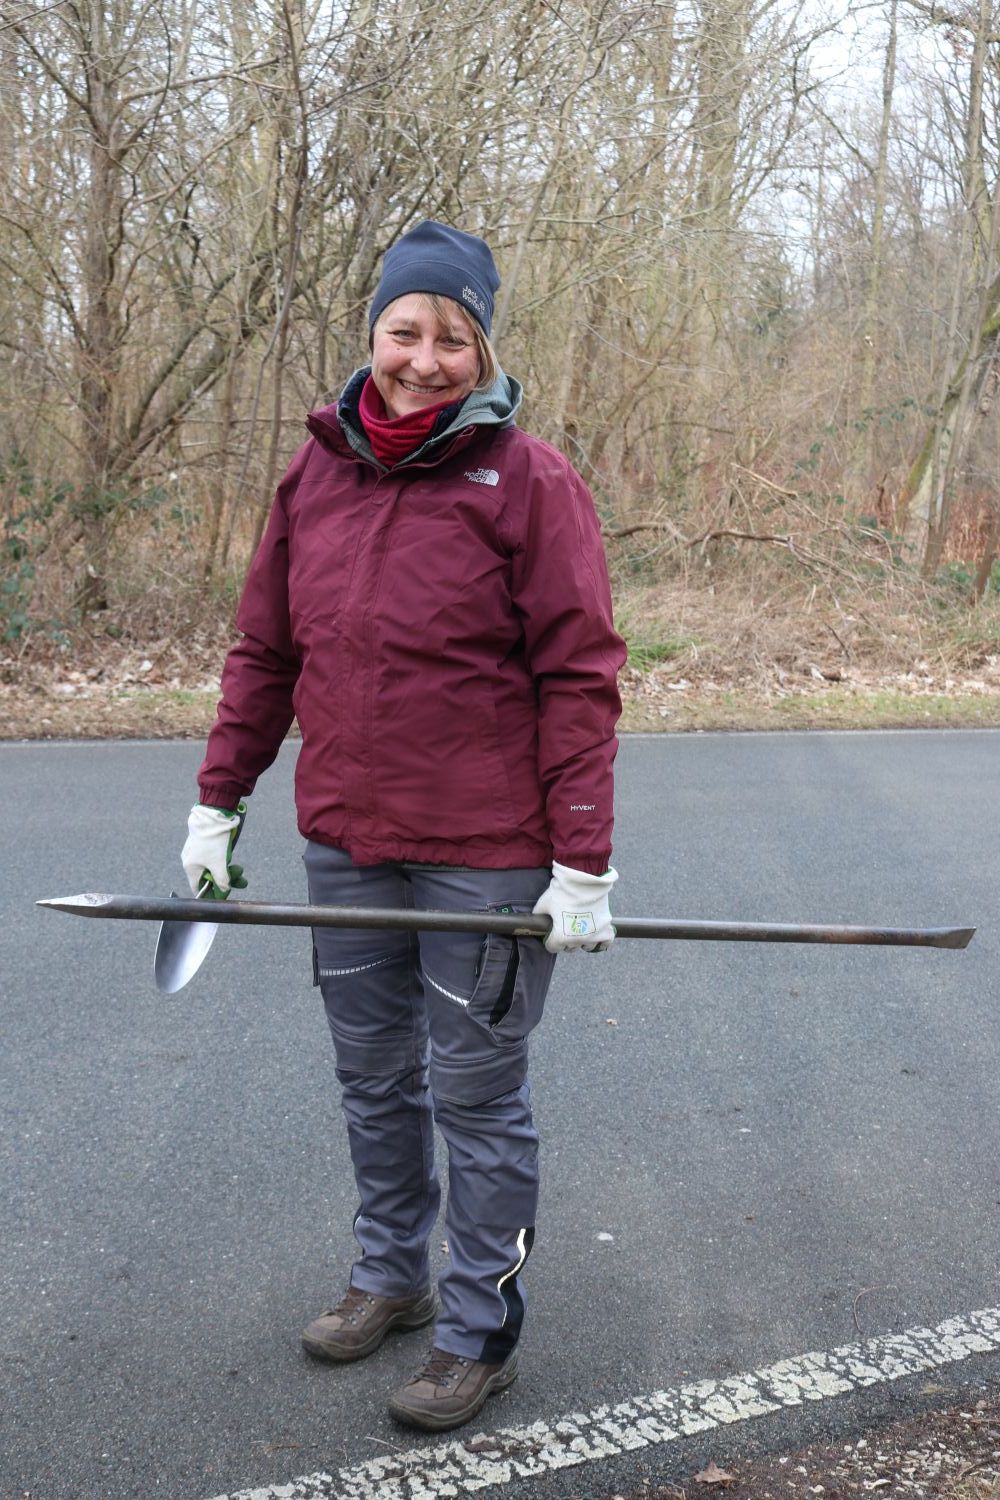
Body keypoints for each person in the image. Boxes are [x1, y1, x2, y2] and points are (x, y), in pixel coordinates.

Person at [181, 220, 626, 1432]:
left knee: (475, 1098)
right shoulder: (313, 473)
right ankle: (391, 1276)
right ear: (372, 332)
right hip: (348, 839)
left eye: (453, 337)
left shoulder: (528, 480)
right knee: (372, 1079)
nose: (425, 358)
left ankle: (479, 1328)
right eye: (405, 330)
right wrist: (218, 801)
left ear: (483, 351)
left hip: (485, 855)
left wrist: (580, 860)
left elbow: (579, 673)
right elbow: (265, 650)